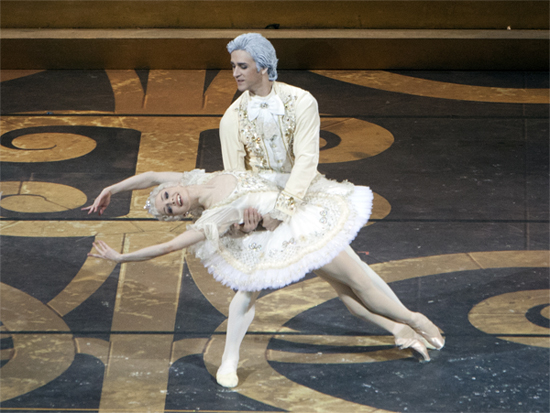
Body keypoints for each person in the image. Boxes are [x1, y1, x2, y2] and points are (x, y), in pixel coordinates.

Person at [216, 33, 444, 387]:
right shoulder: (232, 117)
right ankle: (228, 361)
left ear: (263, 66)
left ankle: (408, 323)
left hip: (304, 199)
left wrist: (286, 208)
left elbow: (307, 161)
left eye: (242, 66)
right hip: (260, 205)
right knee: (248, 286)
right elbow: (235, 175)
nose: (235, 73)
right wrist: (248, 212)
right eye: (233, 66)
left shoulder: (301, 101)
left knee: (350, 280)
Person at [84, 169, 445, 387]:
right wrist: (122, 257)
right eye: (170, 207)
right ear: (179, 212)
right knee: (344, 290)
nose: (171, 198)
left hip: (300, 217)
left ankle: (407, 325)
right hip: (286, 236)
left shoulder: (193, 178)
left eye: (166, 195)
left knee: (355, 286)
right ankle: (409, 325)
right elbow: (169, 247)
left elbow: (148, 176)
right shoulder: (210, 217)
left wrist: (112, 190)